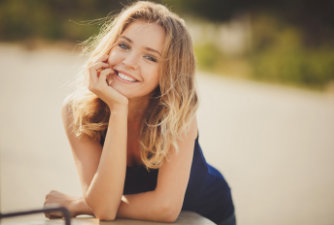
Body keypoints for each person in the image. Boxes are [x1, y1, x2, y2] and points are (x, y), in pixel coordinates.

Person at [44, 1, 236, 224]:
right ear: (109, 47)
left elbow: (165, 208)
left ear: (169, 72)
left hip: (208, 214)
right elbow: (105, 209)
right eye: (124, 45)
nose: (129, 62)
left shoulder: (178, 114)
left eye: (150, 57)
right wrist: (117, 109)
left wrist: (80, 204)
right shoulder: (77, 112)